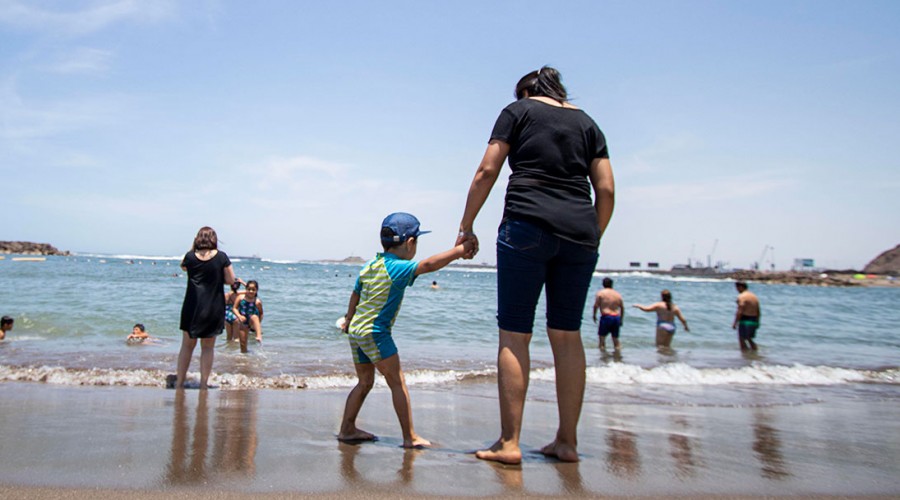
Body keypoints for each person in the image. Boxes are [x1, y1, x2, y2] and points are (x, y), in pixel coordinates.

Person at [456, 66, 615, 464]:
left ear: (526, 91)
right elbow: (607, 188)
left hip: (526, 225)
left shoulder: (518, 111)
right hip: (580, 233)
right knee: (567, 336)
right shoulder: (589, 124)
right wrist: (592, 234)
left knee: (515, 334)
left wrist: (466, 225)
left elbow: (487, 170)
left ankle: (510, 444)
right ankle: (567, 442)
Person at [338, 212, 474, 448]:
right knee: (397, 382)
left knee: (364, 382)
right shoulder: (398, 268)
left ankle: (347, 429)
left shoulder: (370, 265)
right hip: (375, 332)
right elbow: (429, 264)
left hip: (357, 329)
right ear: (410, 243)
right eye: (417, 241)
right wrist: (460, 252)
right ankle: (409, 437)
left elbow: (356, 293)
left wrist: (349, 320)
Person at [174, 226, 236, 390]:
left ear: (197, 239)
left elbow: (183, 266)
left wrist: (194, 247)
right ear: (214, 239)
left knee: (187, 346)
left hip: (192, 306)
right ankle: (203, 384)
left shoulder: (189, 257)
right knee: (208, 347)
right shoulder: (222, 257)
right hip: (213, 306)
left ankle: (179, 382)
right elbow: (231, 280)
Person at [592, 277, 624, 352]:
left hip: (606, 317)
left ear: (603, 284)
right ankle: (618, 358)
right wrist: (621, 319)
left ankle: (603, 358)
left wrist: (594, 315)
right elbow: (622, 307)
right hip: (616, 317)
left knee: (602, 339)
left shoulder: (601, 293)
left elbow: (596, 305)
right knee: (615, 339)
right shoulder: (617, 294)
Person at [233, 280, 264, 353]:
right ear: (246, 289)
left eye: (253, 290)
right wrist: (239, 316)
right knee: (243, 345)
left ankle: (258, 335)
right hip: (243, 321)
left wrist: (257, 324)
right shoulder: (240, 298)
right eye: (249, 289)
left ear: (256, 291)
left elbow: (261, 313)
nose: (251, 291)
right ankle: (245, 360)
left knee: (254, 316)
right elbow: (234, 308)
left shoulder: (257, 301)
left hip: (252, 321)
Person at [733, 281, 761, 351]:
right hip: (754, 319)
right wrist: (758, 322)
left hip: (745, 319)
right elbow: (758, 311)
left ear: (741, 287)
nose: (737, 290)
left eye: (737, 288)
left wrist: (735, 323)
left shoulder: (741, 296)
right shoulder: (754, 296)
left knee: (741, 339)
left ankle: (745, 357)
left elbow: (740, 311)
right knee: (749, 338)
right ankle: (754, 353)